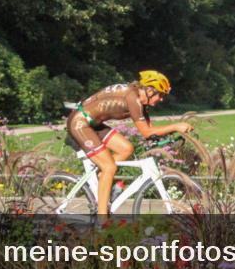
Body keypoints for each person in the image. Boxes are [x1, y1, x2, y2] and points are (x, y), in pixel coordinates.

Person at [66, 70, 193, 220]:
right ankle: (101, 221)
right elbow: (146, 132)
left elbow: (150, 132)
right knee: (109, 167)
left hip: (93, 123)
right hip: (80, 123)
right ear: (149, 90)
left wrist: (167, 136)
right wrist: (175, 126)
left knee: (127, 148)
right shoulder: (133, 99)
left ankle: (103, 181)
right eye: (160, 95)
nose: (161, 99)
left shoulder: (140, 100)